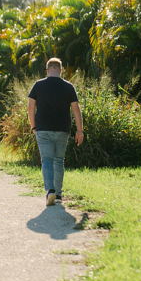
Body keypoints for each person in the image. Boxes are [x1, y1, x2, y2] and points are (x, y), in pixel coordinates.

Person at [27, 58, 84, 206]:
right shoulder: (68, 86)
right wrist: (80, 131)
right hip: (62, 129)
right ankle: (58, 195)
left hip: (42, 129)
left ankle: (50, 190)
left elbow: (31, 107)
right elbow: (76, 109)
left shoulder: (38, 85)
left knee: (47, 160)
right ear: (60, 70)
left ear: (47, 70)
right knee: (59, 160)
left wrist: (33, 126)